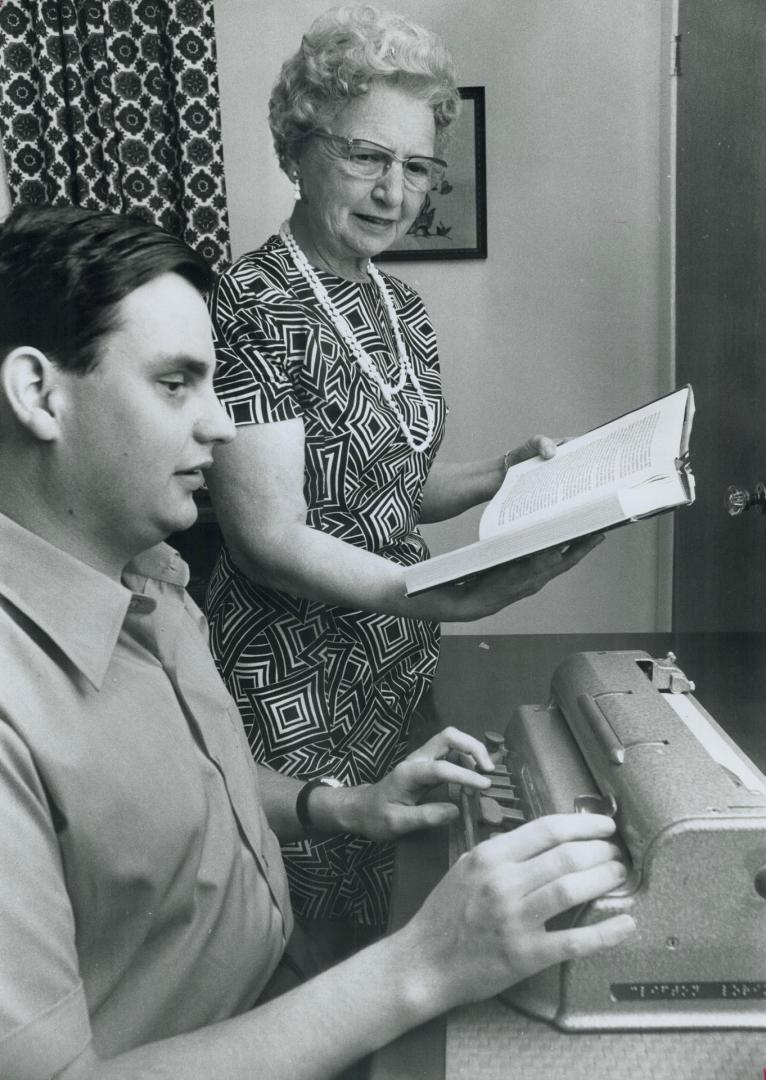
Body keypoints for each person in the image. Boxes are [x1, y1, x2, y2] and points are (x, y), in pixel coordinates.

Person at [0, 203, 635, 1080]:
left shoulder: (150, 571)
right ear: (40, 394)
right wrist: (422, 964)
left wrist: (346, 804)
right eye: (176, 383)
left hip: (287, 1002)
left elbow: (183, 788)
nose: (221, 425)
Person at [204, 3, 604, 936]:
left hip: (390, 659)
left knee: (374, 905)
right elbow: (267, 538)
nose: (395, 191)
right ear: (299, 148)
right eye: (366, 157)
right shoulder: (251, 302)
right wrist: (439, 596)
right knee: (289, 929)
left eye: (417, 167)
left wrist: (504, 475)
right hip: (286, 678)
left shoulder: (402, 307)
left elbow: (387, 484)